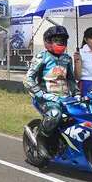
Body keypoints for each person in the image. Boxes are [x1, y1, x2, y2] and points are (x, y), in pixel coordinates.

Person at [24, 25, 79, 159]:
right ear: (48, 41)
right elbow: (28, 79)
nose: (60, 42)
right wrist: (41, 94)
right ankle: (42, 140)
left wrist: (77, 93)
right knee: (55, 114)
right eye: (57, 39)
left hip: (65, 98)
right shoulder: (41, 57)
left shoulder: (67, 59)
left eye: (62, 40)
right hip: (46, 99)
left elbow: (71, 79)